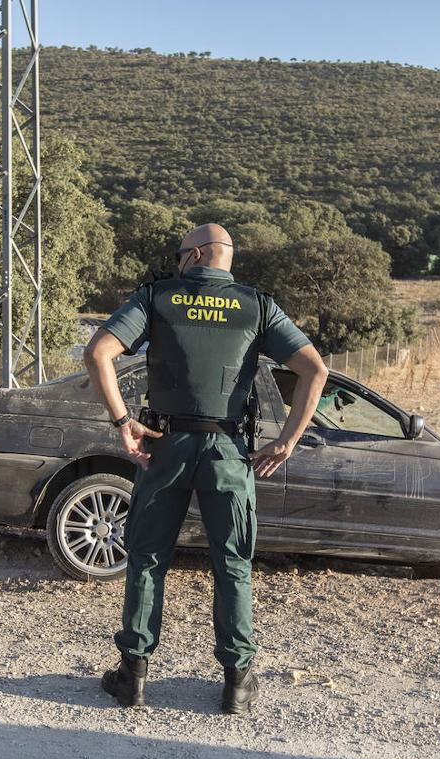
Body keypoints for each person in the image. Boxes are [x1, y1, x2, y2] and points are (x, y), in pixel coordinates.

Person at [83, 223, 328, 714]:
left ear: (195, 254)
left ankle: (132, 675)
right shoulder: (257, 305)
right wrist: (287, 441)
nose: (176, 263)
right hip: (229, 450)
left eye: (179, 255)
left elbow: (97, 353)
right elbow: (314, 370)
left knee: (148, 556)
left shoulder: (157, 297)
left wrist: (123, 421)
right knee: (232, 563)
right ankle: (237, 683)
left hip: (165, 445)